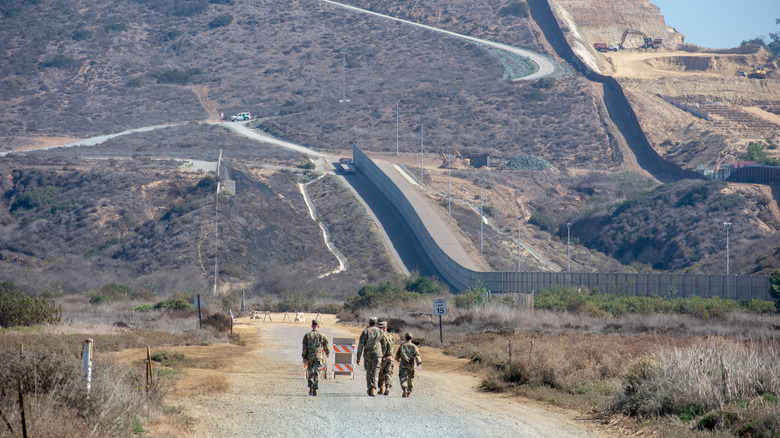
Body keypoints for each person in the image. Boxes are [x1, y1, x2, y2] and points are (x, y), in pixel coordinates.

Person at [356, 316, 390, 396]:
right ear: (376, 323)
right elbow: (384, 344)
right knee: (376, 371)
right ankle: (374, 387)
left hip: (368, 354)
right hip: (377, 354)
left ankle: (370, 388)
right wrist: (383, 353)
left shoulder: (365, 332)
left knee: (369, 371)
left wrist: (358, 357)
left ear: (369, 323)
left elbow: (360, 346)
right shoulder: (380, 332)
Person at [301, 319, 330, 396]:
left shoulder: (307, 335)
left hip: (310, 356)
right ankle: (315, 388)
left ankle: (310, 386)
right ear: (318, 326)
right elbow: (326, 345)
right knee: (316, 372)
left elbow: (304, 347)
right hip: (318, 356)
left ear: (312, 326)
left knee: (310, 371)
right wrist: (327, 353)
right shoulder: (322, 335)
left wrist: (304, 357)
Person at [395, 332, 422, 398]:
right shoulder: (414, 346)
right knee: (410, 378)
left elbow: (398, 355)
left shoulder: (402, 346)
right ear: (411, 338)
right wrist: (419, 364)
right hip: (411, 365)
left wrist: (398, 360)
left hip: (403, 364)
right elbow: (417, 356)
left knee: (402, 377)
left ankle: (404, 388)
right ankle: (409, 392)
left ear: (405, 338)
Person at [377, 321, 394, 395]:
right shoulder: (391, 336)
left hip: (382, 357)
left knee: (380, 373)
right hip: (390, 357)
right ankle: (387, 387)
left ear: (383, 328)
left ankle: (381, 389)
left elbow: (380, 347)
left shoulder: (380, 337)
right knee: (388, 373)